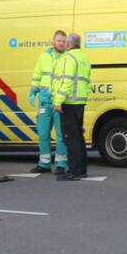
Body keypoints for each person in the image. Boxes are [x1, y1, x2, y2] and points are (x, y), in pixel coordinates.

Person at [52, 32, 91, 181]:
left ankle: (74, 171)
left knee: (71, 138)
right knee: (79, 138)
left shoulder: (69, 58)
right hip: (80, 103)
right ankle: (81, 170)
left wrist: (58, 101)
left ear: (68, 44)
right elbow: (87, 82)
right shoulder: (83, 59)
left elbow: (67, 81)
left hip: (69, 103)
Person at [28, 30, 68, 174]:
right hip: (44, 102)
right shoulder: (43, 57)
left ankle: (61, 163)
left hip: (59, 103)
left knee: (61, 135)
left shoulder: (67, 58)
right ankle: (44, 163)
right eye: (59, 40)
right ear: (53, 41)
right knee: (43, 133)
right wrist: (33, 92)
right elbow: (37, 76)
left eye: (63, 41)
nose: (61, 43)